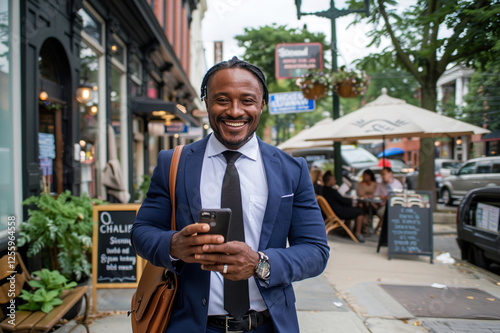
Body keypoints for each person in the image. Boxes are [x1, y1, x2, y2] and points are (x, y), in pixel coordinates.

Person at [131, 57, 330, 333]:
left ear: (262, 104)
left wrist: (260, 264)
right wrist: (174, 245)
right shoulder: (173, 163)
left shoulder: (291, 169)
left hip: (268, 325)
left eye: (247, 100)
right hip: (191, 325)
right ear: (206, 102)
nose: (235, 111)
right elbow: (142, 232)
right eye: (222, 100)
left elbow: (316, 251)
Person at [321, 171, 365, 243]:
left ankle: (346, 232)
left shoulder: (324, 190)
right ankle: (358, 233)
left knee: (351, 209)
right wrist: (352, 200)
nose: (335, 180)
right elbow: (342, 200)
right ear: (329, 180)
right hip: (337, 212)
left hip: (332, 211)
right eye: (334, 179)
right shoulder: (331, 191)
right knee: (359, 211)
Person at [373, 167, 404, 232]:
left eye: (384, 174)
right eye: (382, 174)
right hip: (382, 206)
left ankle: (381, 229)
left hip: (396, 206)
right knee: (387, 211)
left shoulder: (397, 184)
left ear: (390, 174)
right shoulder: (380, 184)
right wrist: (381, 197)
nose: (383, 176)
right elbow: (375, 195)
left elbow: (400, 196)